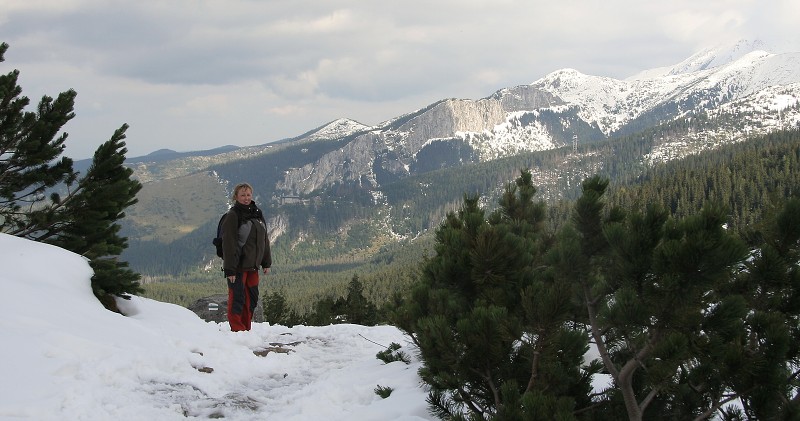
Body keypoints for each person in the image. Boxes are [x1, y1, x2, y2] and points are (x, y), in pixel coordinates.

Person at [221, 182, 272, 331]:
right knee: (237, 298)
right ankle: (237, 330)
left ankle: (246, 328)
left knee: (252, 298)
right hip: (237, 266)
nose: (246, 198)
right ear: (236, 197)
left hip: (253, 266)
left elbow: (264, 240)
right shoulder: (233, 215)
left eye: (248, 194)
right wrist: (229, 269)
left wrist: (266, 262)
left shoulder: (257, 213)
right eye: (242, 195)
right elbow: (228, 243)